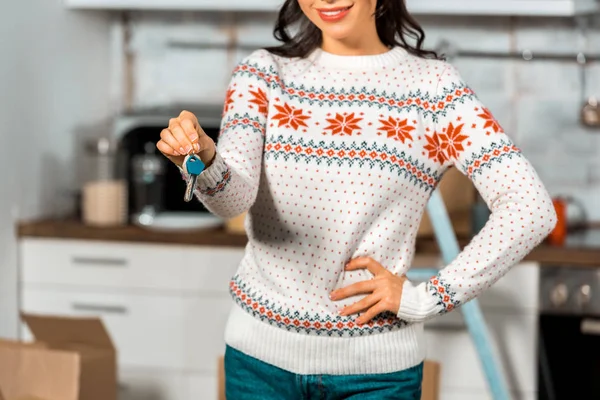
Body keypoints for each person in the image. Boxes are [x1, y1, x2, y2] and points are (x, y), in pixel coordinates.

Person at [156, 0, 557, 398]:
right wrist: (205, 160)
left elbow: (530, 207)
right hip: (259, 366)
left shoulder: (434, 89)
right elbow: (235, 199)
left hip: (376, 378)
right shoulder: (262, 76)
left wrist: (427, 297)